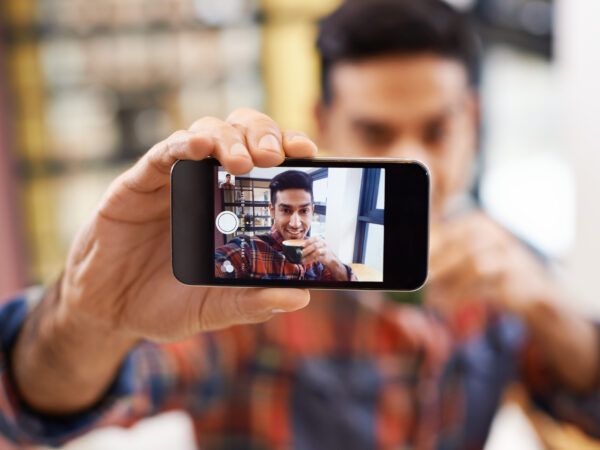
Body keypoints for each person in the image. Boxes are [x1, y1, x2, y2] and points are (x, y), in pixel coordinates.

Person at [1, 0, 599, 448]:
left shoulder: (507, 266)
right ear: (324, 122)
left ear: (473, 118)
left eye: (438, 130)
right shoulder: (247, 291)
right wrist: (87, 319)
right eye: (376, 131)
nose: (414, 160)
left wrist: (544, 305)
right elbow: (35, 410)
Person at [215, 170, 356, 281]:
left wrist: (332, 260)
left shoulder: (317, 255)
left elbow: (350, 292)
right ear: (272, 211)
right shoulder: (249, 249)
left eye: (304, 210)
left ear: (312, 211)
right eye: (286, 210)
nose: (295, 224)